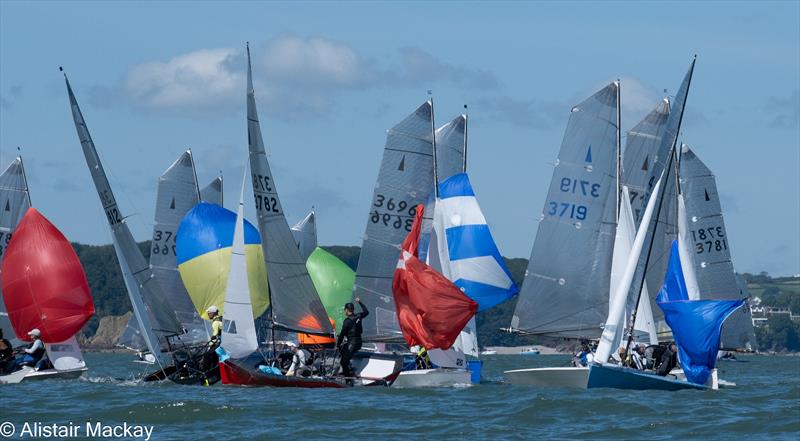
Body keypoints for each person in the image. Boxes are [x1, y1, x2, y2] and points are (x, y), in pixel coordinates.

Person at [336, 297, 368, 377]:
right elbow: (366, 311)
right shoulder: (359, 316)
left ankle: (348, 379)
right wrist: (360, 301)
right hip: (358, 342)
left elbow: (342, 335)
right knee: (343, 349)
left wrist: (337, 345)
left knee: (343, 362)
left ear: (346, 310)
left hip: (352, 344)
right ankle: (349, 368)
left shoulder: (347, 321)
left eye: (345, 309)